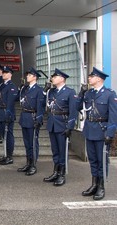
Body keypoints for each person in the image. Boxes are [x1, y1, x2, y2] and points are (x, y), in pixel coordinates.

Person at [77, 67, 117, 200]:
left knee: (102, 160)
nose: (89, 78)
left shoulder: (110, 94)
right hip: (90, 129)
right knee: (93, 160)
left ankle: (101, 186)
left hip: (102, 130)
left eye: (91, 76)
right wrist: (81, 94)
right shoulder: (88, 93)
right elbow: (77, 107)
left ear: (99, 79)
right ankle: (94, 184)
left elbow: (113, 115)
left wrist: (110, 133)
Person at [43, 68, 77, 186]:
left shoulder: (70, 92)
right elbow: (45, 105)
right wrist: (44, 92)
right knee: (55, 150)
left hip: (62, 124)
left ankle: (62, 174)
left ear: (62, 79)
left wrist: (70, 126)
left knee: (62, 150)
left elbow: (73, 111)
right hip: (52, 123)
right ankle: (56, 172)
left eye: (55, 76)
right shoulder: (51, 92)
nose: (52, 78)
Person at [17, 67, 45, 176]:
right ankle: (28, 163)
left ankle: (33, 165)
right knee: (27, 143)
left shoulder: (39, 90)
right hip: (25, 116)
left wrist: (39, 118)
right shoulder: (25, 88)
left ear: (35, 77)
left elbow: (40, 106)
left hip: (33, 117)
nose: (27, 76)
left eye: (29, 75)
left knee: (33, 143)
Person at [0, 66, 18, 165]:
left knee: (8, 135)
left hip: (7, 112)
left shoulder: (12, 86)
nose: (4, 74)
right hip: (1, 111)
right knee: (3, 134)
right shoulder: (1, 85)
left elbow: (10, 101)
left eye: (6, 72)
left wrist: (8, 114)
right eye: (3, 72)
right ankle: (5, 154)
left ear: (10, 74)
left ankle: (9, 156)